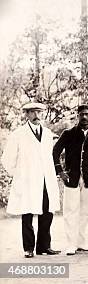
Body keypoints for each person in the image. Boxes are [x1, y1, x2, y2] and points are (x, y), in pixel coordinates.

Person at [2, 102, 61, 258]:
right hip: (27, 181)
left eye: (39, 112)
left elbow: (50, 157)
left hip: (46, 181)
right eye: (33, 112)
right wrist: (20, 175)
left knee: (47, 213)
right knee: (27, 214)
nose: (37, 116)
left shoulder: (48, 134)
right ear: (26, 114)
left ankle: (44, 246)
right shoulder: (18, 134)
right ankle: (29, 248)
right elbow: (7, 159)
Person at [52, 104, 88, 255]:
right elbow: (55, 151)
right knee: (70, 211)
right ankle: (71, 244)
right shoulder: (68, 134)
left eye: (87, 114)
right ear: (77, 116)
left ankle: (81, 241)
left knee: (84, 211)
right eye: (81, 114)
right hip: (71, 178)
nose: (84, 117)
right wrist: (60, 171)